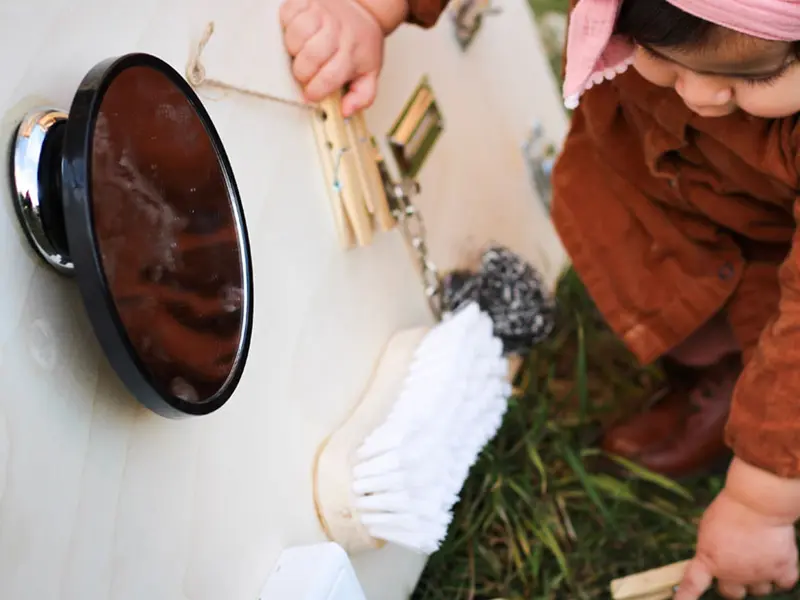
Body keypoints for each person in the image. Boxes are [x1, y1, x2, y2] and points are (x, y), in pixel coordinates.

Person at [279, 0, 800, 597]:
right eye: (659, 56)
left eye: (754, 75)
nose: (702, 96)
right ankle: (711, 370)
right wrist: (372, 11)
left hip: (772, 243)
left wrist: (761, 503)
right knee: (658, 287)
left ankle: (757, 409)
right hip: (645, 183)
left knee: (775, 344)